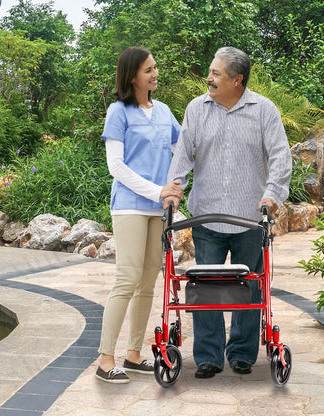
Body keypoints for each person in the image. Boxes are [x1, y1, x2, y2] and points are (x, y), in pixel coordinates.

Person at [164, 46, 292, 378]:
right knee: (206, 285)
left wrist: (272, 195)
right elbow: (182, 156)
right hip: (207, 217)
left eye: (216, 73)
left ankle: (242, 353)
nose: (209, 78)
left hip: (249, 217)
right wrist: (174, 188)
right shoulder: (197, 109)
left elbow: (280, 157)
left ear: (237, 80)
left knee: (249, 286)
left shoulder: (264, 110)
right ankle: (208, 356)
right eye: (210, 72)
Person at [96, 46, 184, 383]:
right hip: (131, 206)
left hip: (158, 209)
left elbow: (182, 154)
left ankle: (133, 354)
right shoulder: (118, 112)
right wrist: (157, 190)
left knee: (148, 281)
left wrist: (175, 189)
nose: (155, 73)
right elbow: (115, 166)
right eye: (149, 69)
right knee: (127, 279)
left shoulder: (162, 111)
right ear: (133, 75)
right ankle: (106, 359)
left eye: (156, 68)